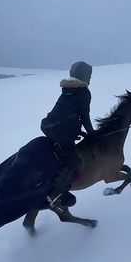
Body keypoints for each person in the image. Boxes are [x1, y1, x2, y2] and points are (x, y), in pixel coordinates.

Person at [41, 61, 94, 207]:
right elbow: (84, 116)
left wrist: (77, 130)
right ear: (85, 76)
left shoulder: (68, 89)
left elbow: (68, 113)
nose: (90, 79)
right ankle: (55, 194)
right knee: (72, 161)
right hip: (60, 131)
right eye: (89, 75)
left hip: (48, 126)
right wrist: (92, 134)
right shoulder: (83, 92)